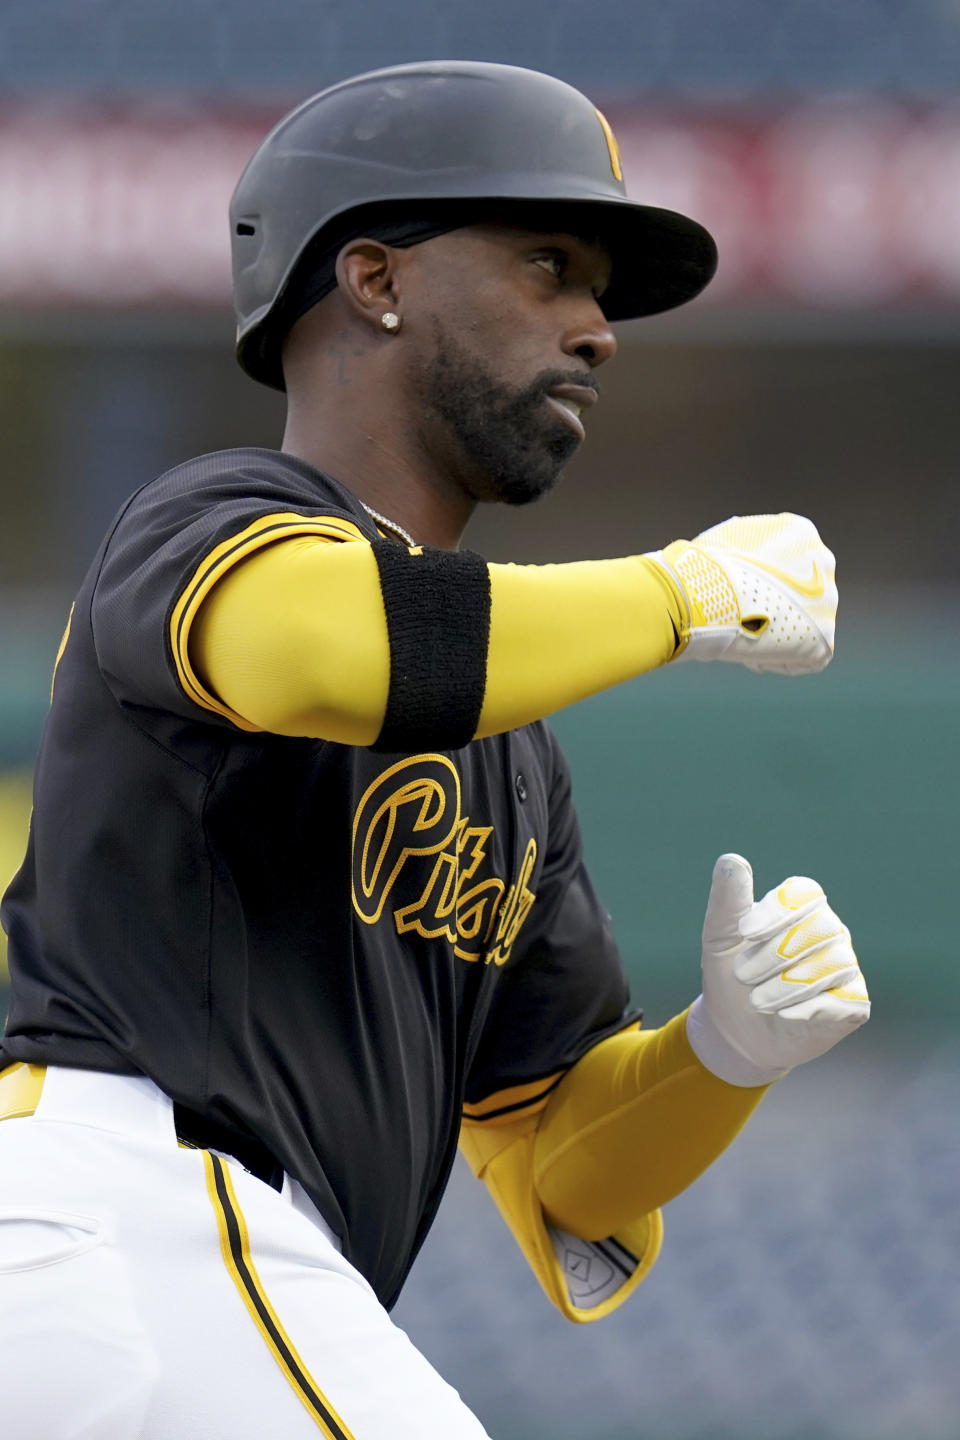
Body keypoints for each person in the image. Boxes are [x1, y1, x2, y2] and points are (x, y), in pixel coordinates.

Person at [0, 61, 869, 1440]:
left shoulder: (510, 748)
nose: (598, 329)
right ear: (374, 278)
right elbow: (331, 648)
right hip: (128, 1206)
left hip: (210, 1279)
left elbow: (562, 1159)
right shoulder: (211, 518)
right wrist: (680, 594)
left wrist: (723, 1052)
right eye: (549, 265)